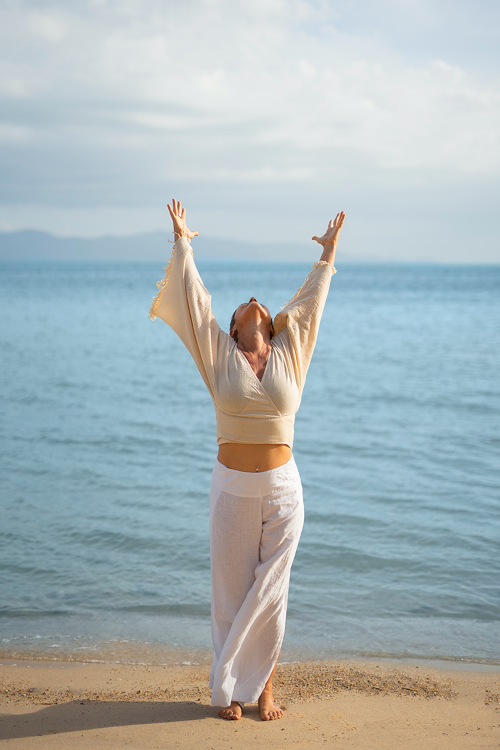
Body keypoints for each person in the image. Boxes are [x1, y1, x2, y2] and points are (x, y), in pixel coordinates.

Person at [149, 199, 345, 721]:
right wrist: (183, 244)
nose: (255, 302)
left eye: (260, 305)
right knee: (230, 594)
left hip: (283, 488)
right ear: (234, 328)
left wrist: (327, 257)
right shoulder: (221, 358)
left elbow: (310, 305)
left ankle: (264, 692)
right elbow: (193, 303)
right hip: (232, 488)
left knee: (272, 594)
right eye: (242, 307)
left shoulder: (289, 352)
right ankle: (231, 690)